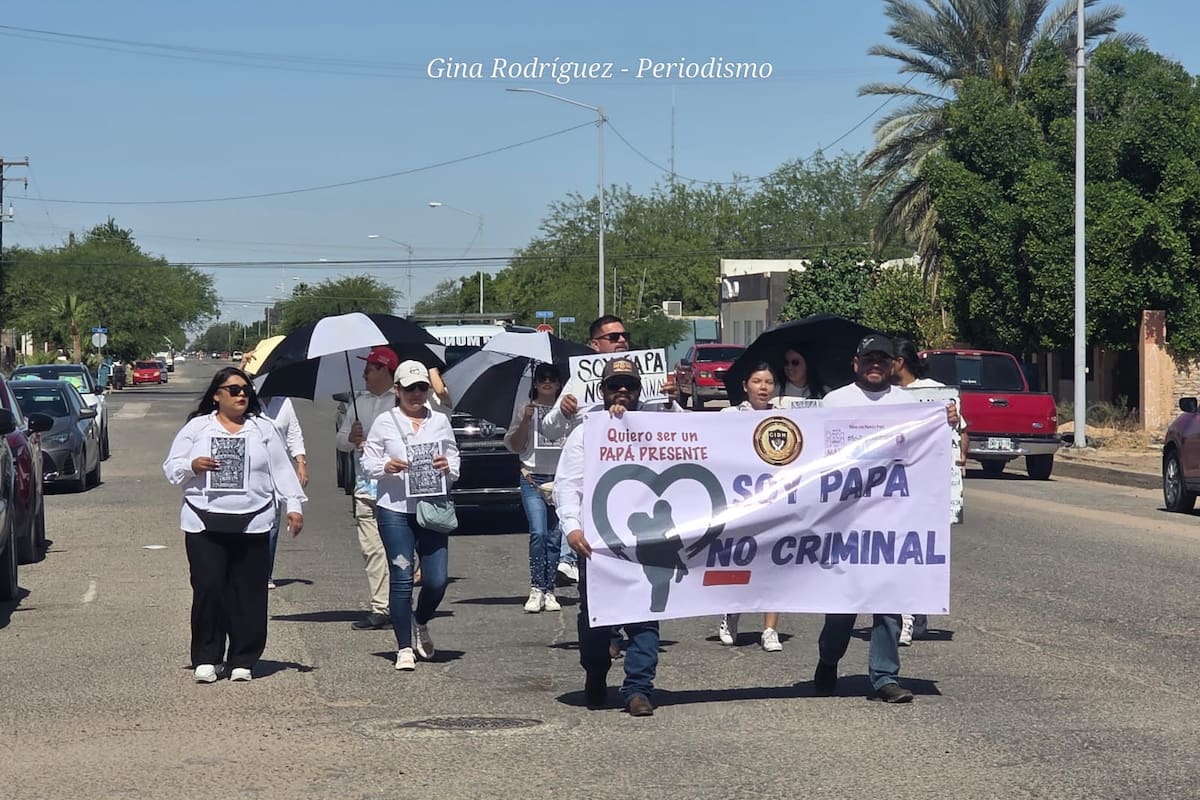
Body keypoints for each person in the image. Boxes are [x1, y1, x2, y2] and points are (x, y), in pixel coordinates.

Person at [812, 334, 959, 703]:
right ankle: (828, 659)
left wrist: (946, 423)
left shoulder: (909, 405)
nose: (875, 364)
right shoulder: (834, 401)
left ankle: (884, 677)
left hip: (891, 521)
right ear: (856, 363)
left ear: (894, 364)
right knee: (841, 609)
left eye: (882, 359)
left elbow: (928, 452)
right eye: (868, 359)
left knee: (889, 602)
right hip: (845, 522)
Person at [163, 367, 306, 683]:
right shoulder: (197, 427)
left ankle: (243, 658)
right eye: (234, 390)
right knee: (209, 588)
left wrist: (294, 506)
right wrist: (192, 465)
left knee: (248, 592)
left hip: (253, 520)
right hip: (203, 521)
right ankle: (207, 657)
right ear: (217, 395)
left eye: (246, 390)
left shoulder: (262, 428)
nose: (242, 395)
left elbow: (281, 469)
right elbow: (172, 468)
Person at [556, 357, 666, 717]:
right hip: (598, 543)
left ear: (639, 391)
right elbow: (567, 484)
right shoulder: (586, 432)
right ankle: (595, 671)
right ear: (602, 390)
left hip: (646, 539)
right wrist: (572, 527)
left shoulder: (660, 426)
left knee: (645, 615)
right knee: (596, 618)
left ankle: (638, 689)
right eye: (615, 385)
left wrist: (674, 401)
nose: (622, 391)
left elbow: (699, 442)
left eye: (629, 385)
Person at [361, 360, 461, 671]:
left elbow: (454, 457)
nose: (416, 394)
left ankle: (421, 621)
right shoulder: (384, 422)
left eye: (422, 388)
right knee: (402, 577)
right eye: (409, 388)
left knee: (437, 580)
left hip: (432, 509)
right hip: (395, 509)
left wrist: (448, 467)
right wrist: (385, 467)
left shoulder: (440, 421)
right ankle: (404, 647)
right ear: (397, 390)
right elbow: (367, 462)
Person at [892, 337, 967, 645]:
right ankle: (905, 616)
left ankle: (913, 613)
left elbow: (961, 430)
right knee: (896, 551)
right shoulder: (885, 396)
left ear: (899, 362)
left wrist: (960, 461)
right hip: (894, 486)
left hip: (927, 487)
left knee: (917, 552)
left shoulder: (935, 392)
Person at [716, 362, 785, 652]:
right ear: (745, 386)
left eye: (768, 382)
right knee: (740, 561)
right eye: (757, 381)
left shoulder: (784, 418)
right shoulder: (729, 416)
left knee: (775, 565)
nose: (763, 387)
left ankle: (770, 629)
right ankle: (731, 613)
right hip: (739, 501)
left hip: (774, 501)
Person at [335, 346, 402, 631]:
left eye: (369, 369)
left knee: (398, 552)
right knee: (372, 550)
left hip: (396, 490)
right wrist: (350, 438)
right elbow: (340, 442)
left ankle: (400, 604)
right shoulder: (358, 403)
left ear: (384, 370)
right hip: (365, 488)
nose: (364, 375)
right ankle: (380, 608)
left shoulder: (401, 403)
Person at [241, 351, 309, 590]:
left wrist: (300, 462)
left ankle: (265, 574)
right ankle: (244, 568)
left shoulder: (284, 402)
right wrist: (242, 367)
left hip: (277, 470)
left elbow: (294, 433)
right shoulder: (247, 401)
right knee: (249, 521)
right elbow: (224, 397)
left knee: (271, 525)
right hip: (251, 469)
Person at [505, 362, 567, 613]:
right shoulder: (525, 409)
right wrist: (526, 420)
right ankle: (536, 587)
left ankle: (550, 589)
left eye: (552, 378)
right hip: (532, 478)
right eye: (542, 378)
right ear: (535, 383)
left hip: (560, 479)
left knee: (555, 536)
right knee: (538, 532)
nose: (547, 382)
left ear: (559, 383)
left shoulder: (566, 410)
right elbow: (515, 445)